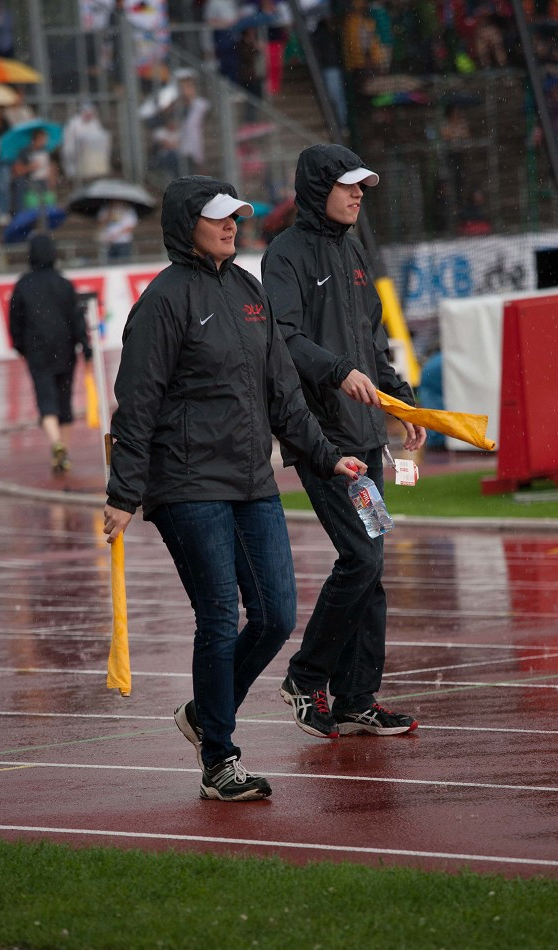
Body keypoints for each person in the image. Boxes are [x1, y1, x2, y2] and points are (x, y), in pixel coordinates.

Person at [102, 175, 366, 801]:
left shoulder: (250, 290)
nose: (232, 227)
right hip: (187, 484)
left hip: (251, 479)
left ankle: (203, 714)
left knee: (275, 615)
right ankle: (220, 755)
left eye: (236, 218)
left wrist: (329, 459)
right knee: (219, 616)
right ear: (185, 224)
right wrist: (123, 492)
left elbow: (285, 391)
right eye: (218, 218)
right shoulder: (162, 301)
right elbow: (135, 403)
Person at [261, 143, 426, 740]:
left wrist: (401, 399)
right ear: (318, 189)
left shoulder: (353, 249)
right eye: (349, 184)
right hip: (322, 440)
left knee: (372, 565)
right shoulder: (285, 255)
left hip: (365, 437)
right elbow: (283, 338)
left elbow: (368, 346)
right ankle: (307, 678)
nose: (359, 194)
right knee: (361, 558)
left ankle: (358, 698)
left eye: (363, 185)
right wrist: (335, 372)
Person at [9, 233, 93, 474]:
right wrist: (85, 347)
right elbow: (77, 319)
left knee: (46, 399)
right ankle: (62, 450)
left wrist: (20, 346)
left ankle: (57, 444)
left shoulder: (23, 284)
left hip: (37, 350)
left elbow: (15, 320)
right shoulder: (63, 283)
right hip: (64, 349)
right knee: (64, 400)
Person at [61, 102, 111, 184]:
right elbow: (68, 146)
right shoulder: (73, 124)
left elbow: (99, 138)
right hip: (77, 160)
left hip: (92, 160)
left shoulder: (95, 123)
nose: (89, 115)